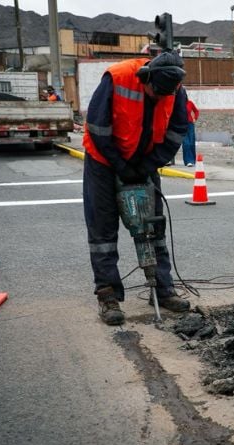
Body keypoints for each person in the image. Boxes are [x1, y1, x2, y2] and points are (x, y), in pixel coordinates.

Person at [82, 51, 191, 326]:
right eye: (155, 92)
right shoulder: (117, 78)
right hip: (104, 161)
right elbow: (98, 127)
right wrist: (120, 165)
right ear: (146, 78)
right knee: (103, 229)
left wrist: (149, 165)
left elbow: (177, 130)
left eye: (164, 94)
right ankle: (108, 295)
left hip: (145, 161)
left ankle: (163, 289)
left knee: (152, 226)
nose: (158, 97)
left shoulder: (176, 90)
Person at [182, 98, 200, 167]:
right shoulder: (179, 103)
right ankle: (188, 161)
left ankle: (192, 160)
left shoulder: (190, 103)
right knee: (186, 143)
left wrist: (195, 118)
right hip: (182, 125)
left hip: (190, 124)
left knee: (192, 142)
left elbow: (196, 111)